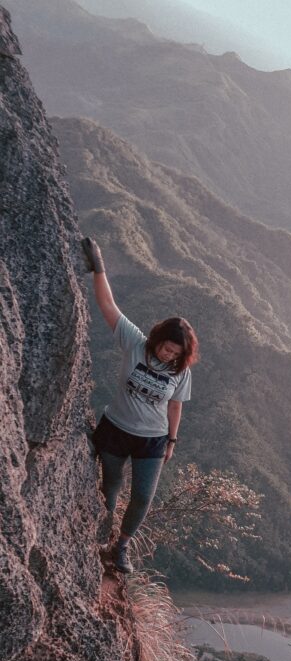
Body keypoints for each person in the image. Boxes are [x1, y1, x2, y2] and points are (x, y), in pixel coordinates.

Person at [81, 237, 199, 574]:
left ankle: (122, 545)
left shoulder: (181, 371)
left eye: (176, 354)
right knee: (111, 486)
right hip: (116, 429)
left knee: (144, 496)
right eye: (166, 348)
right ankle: (102, 536)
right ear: (158, 338)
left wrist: (172, 441)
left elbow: (176, 405)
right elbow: (108, 304)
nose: (169, 356)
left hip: (152, 439)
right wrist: (98, 266)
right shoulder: (135, 342)